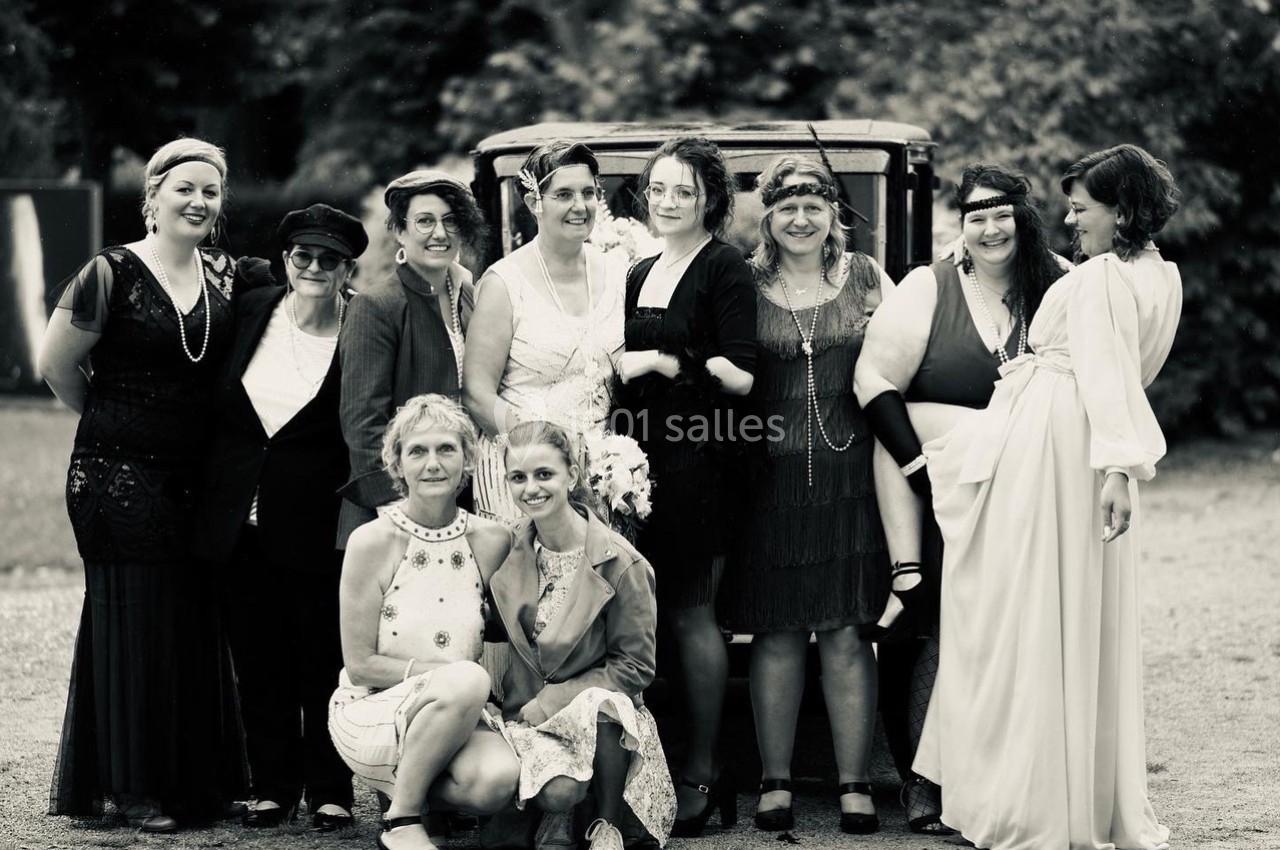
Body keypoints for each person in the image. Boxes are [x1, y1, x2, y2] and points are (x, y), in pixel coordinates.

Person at [910, 144, 1181, 850]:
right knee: (1056, 615)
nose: (1069, 219)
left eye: (1082, 208)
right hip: (1065, 444)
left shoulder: (1098, 281)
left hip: (1054, 452)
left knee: (1019, 614)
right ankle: (1054, 786)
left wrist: (1119, 468)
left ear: (1120, 211)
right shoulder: (1160, 275)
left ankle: (1024, 796)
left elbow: (1112, 377)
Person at [39, 137, 249, 832]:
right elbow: (57, 366)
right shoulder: (110, 271)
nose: (198, 201)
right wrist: (116, 423)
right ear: (152, 196)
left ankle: (194, 780)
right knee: (133, 618)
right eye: (184, 187)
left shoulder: (222, 275)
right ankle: (132, 789)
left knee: (188, 617)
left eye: (211, 191)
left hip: (194, 477)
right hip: (115, 475)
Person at [853, 163, 1069, 833]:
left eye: (1001, 211)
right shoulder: (929, 287)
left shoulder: (1058, 288)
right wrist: (921, 473)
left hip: (1028, 497)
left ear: (1024, 217)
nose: (989, 225)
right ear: (959, 225)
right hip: (933, 493)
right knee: (929, 628)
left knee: (1014, 639)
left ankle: (1004, 781)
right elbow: (874, 380)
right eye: (975, 214)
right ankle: (923, 783)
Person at [718, 155, 893, 834]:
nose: (800, 218)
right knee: (778, 631)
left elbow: (911, 353)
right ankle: (776, 780)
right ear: (767, 216)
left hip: (854, 478)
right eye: (786, 206)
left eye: (814, 205)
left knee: (848, 631)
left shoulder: (870, 278)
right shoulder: (744, 281)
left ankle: (854, 783)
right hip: (768, 481)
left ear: (833, 216)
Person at [193, 204, 368, 830]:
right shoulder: (251, 309)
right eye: (304, 256)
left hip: (318, 522)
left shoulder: (360, 329)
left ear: (348, 269)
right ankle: (271, 786)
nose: (315, 267)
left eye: (330, 259)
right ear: (285, 261)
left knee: (323, 656)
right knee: (257, 655)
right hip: (238, 517)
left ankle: (331, 790)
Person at [616, 136, 757, 836]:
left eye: (684, 192)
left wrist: (667, 362)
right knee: (656, 619)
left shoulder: (724, 264)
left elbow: (744, 371)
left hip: (704, 459)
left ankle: (707, 770)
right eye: (660, 190)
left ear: (710, 200)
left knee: (695, 616)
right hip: (641, 461)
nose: (668, 202)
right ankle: (666, 768)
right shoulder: (641, 268)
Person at [329, 394, 519, 850]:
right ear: (397, 463)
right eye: (417, 451)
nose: (432, 463)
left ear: (467, 458)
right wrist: (457, 679)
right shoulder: (370, 541)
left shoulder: (493, 539)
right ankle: (403, 822)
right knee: (470, 678)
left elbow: (503, 627)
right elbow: (360, 665)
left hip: (458, 709)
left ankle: (412, 795)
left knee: (498, 781)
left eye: (446, 449)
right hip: (375, 709)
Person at [488, 420, 675, 850]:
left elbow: (635, 668)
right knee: (498, 841)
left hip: (599, 724)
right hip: (524, 715)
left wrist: (553, 700)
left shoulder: (621, 562)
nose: (530, 488)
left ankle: (603, 823)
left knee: (603, 704)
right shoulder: (508, 548)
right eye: (518, 477)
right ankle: (557, 809)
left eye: (544, 474)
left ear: (572, 474)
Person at [463, 140, 625, 524]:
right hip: (523, 475)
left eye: (588, 193)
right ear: (535, 201)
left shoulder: (618, 270)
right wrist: (542, 454)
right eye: (564, 194)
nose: (580, 206)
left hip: (602, 473)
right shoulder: (505, 283)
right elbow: (477, 394)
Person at [337, 170, 487, 547]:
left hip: (461, 506)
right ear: (399, 231)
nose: (440, 233)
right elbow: (364, 426)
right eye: (424, 221)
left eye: (451, 220)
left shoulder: (469, 297)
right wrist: (413, 515)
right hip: (394, 517)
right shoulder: (378, 306)